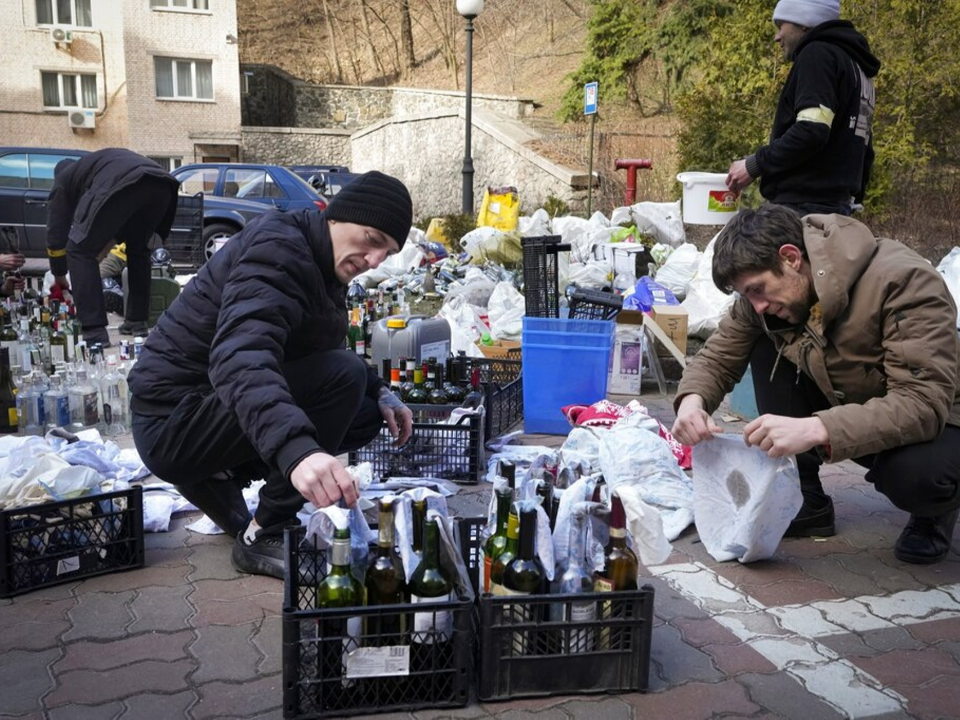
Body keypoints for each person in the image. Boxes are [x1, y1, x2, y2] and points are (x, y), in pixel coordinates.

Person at [128, 170, 415, 579]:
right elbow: (240, 355)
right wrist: (299, 452)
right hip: (171, 421)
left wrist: (381, 390)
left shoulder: (320, 261)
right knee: (343, 379)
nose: (373, 261)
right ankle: (266, 531)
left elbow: (322, 348)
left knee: (366, 409)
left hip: (205, 409)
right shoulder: (279, 248)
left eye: (385, 253)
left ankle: (217, 474)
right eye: (371, 239)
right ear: (336, 216)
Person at [671, 205, 960, 564]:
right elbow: (718, 355)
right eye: (747, 295)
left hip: (941, 417)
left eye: (758, 289)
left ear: (791, 257)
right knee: (763, 337)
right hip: (856, 400)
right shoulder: (763, 297)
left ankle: (934, 513)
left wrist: (818, 427)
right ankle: (807, 500)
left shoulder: (904, 281)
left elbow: (922, 404)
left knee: (916, 476)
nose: (756, 304)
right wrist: (692, 402)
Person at [725, 0, 880, 215]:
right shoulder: (858, 68)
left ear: (804, 22)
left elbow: (811, 130)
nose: (777, 37)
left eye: (781, 26)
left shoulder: (817, 54)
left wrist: (753, 165)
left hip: (802, 209)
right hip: (837, 209)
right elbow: (865, 146)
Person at [46, 149, 180, 346]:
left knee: (78, 250)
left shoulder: (64, 181)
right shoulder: (96, 167)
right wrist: (100, 248)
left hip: (127, 183)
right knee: (138, 250)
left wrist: (59, 275)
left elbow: (57, 234)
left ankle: (94, 332)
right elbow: (117, 222)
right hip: (162, 185)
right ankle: (136, 321)